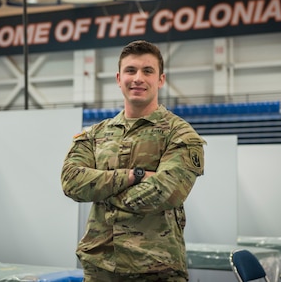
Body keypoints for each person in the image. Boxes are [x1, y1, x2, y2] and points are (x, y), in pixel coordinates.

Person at [61, 40, 206, 282]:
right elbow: (71, 182)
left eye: (147, 71)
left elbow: (166, 192)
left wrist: (101, 192)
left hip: (155, 269)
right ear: (119, 79)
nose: (138, 78)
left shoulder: (180, 134)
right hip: (99, 267)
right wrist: (134, 176)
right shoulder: (95, 134)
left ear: (161, 79)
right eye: (130, 70)